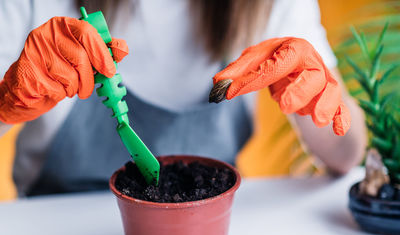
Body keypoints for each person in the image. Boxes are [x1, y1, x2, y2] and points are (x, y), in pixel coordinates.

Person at [0, 0, 366, 197]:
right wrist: (4, 105)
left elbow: (347, 154)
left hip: (205, 234)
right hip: (52, 234)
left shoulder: (268, 5)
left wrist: (318, 101)